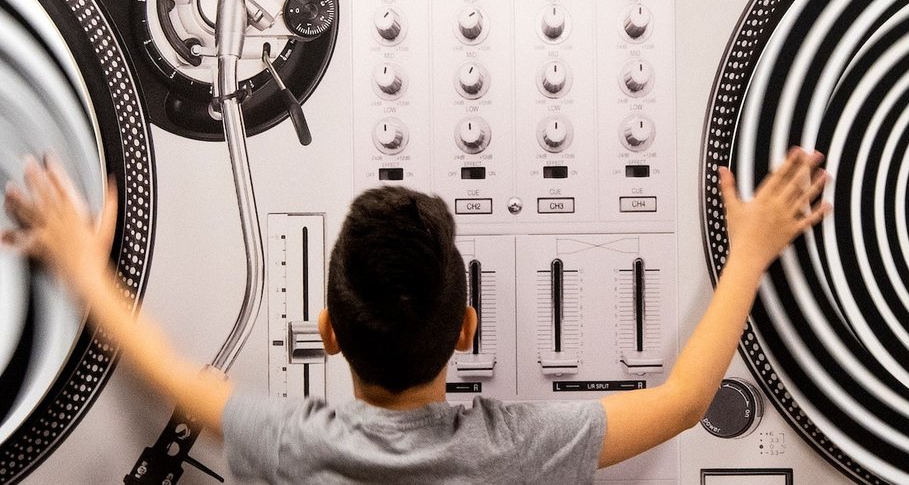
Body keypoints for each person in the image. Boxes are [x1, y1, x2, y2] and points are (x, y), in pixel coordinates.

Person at [2, 149, 829, 483]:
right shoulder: (522, 448)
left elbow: (171, 375)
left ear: (328, 332)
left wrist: (82, 267)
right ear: (466, 330)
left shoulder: (293, 442)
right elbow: (687, 399)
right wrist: (749, 248)